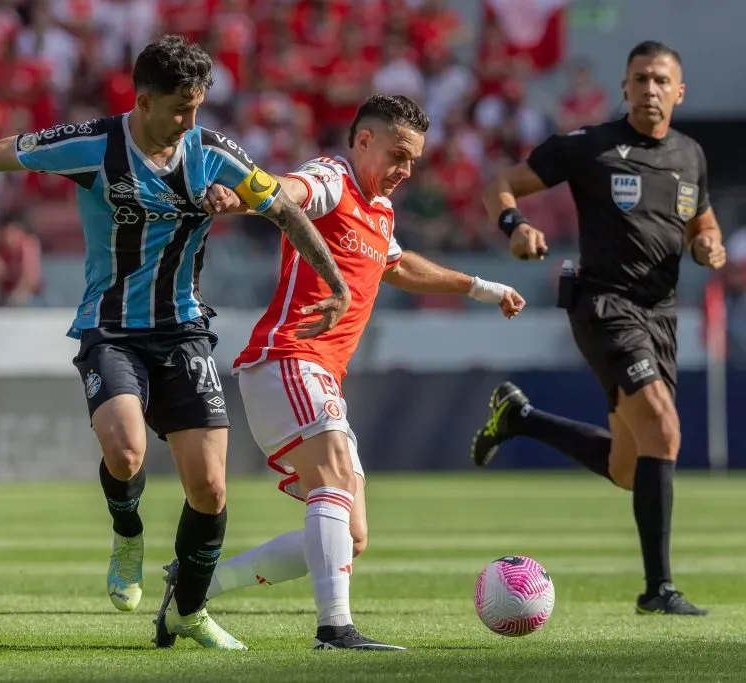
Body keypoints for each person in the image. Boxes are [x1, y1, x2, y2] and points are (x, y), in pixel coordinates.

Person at [0, 35, 350, 650]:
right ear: (143, 101)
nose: (189, 121)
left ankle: (188, 611)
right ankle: (128, 532)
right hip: (111, 329)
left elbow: (284, 209)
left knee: (210, 488)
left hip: (185, 331)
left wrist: (331, 281)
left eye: (197, 107)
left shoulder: (213, 152)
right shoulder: (93, 144)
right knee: (125, 453)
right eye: (180, 108)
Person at [202, 94, 525, 649]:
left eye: (414, 161)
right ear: (364, 141)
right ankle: (335, 629)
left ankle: (197, 584)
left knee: (350, 536)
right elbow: (289, 192)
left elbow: (397, 266)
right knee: (332, 484)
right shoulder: (333, 177)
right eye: (398, 155)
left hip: (318, 372)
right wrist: (240, 197)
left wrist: (478, 287)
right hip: (289, 357)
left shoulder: (380, 211)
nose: (406, 171)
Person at [471, 41, 724, 616]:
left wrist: (708, 243)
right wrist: (515, 226)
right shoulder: (591, 146)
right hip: (605, 305)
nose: (651, 89)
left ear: (679, 92)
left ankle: (520, 418)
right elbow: (499, 184)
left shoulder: (690, 155)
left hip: (661, 317)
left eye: (662, 80)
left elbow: (701, 222)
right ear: (625, 87)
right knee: (663, 427)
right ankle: (658, 590)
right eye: (641, 78)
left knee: (630, 468)